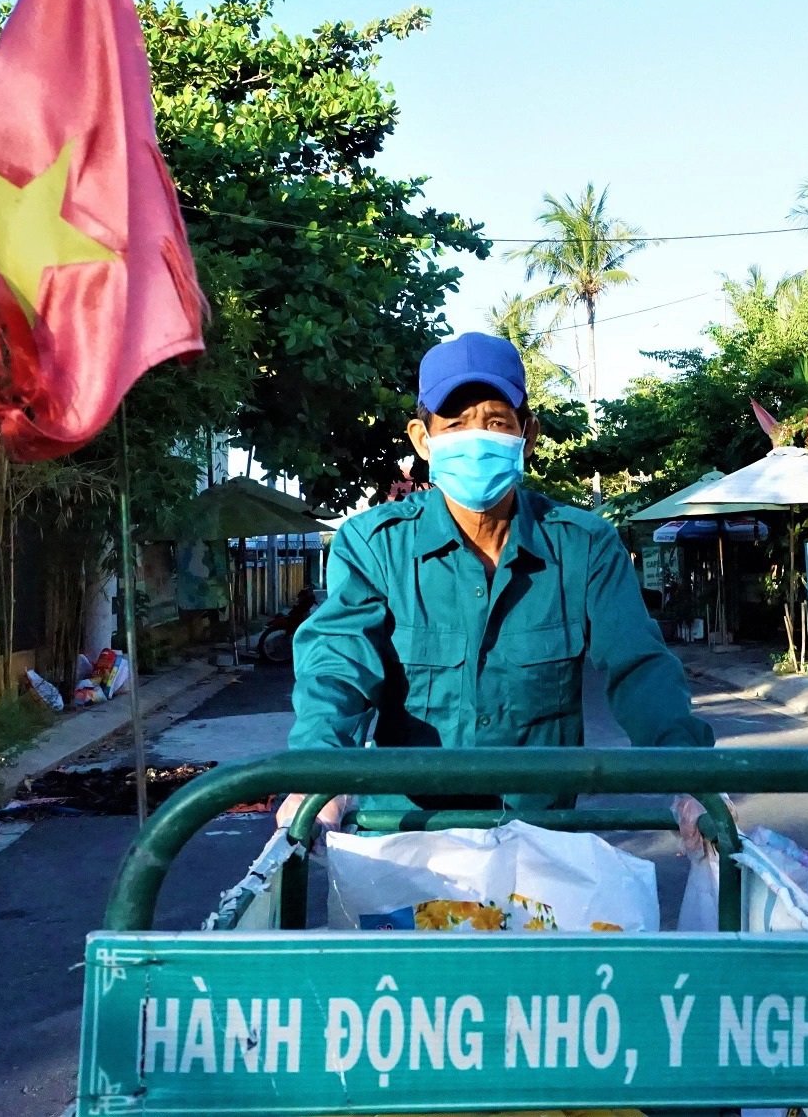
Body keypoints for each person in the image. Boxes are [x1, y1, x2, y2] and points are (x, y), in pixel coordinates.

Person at [280, 331, 713, 833]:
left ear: (526, 434)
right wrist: (318, 775)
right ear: (423, 440)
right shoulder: (375, 545)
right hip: (407, 837)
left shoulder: (584, 545)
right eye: (456, 424)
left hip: (539, 836)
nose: (476, 439)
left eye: (495, 422)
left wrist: (690, 776)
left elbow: (640, 666)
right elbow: (337, 668)